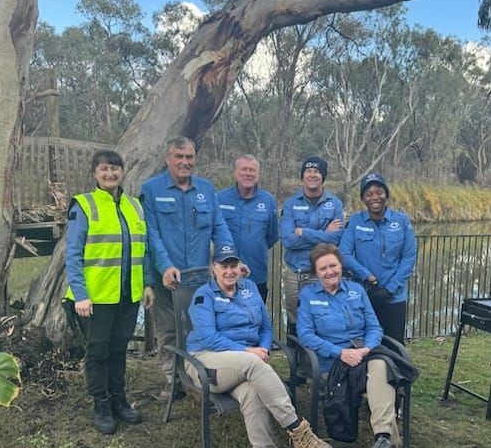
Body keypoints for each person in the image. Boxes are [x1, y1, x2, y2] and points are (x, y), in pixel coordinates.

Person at [186, 244, 336, 448]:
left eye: (234, 265)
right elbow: (207, 337)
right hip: (206, 361)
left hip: (244, 364)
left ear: (240, 268)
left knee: (252, 395)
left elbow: (265, 326)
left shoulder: (250, 289)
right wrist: (249, 351)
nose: (230, 271)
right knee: (252, 364)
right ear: (214, 269)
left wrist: (264, 347)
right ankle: (298, 431)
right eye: (224, 266)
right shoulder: (203, 296)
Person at [296, 243, 419, 448]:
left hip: (364, 355)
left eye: (333, 265)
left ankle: (383, 443)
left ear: (341, 266)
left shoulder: (357, 291)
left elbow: (374, 326)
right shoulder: (308, 296)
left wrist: (366, 348)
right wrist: (340, 353)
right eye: (323, 268)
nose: (329, 271)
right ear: (316, 272)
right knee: (384, 372)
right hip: (334, 362)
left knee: (381, 366)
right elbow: (305, 334)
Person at [64, 150, 155, 434]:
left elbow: (144, 250)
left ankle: (119, 399)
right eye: (104, 169)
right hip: (95, 298)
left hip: (127, 295)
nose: (110, 174)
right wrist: (80, 293)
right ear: (95, 173)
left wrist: (148, 284)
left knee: (118, 349)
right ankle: (101, 403)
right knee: (98, 351)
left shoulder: (134, 206)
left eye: (115, 168)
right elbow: (73, 253)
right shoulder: (84, 205)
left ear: (123, 172)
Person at [140, 136, 234, 400]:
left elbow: (220, 227)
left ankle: (196, 379)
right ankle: (173, 382)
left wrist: (227, 258)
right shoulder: (151, 189)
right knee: (169, 331)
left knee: (200, 330)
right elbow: (152, 236)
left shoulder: (206, 189)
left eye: (189, 157)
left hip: (200, 280)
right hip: (166, 279)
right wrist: (165, 266)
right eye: (179, 157)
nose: (184, 162)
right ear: (168, 159)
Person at [339, 172, 417, 342]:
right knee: (366, 342)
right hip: (365, 294)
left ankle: (394, 369)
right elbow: (343, 254)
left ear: (386, 195)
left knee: (394, 343)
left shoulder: (402, 222)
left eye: (379, 192)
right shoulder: (355, 222)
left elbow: (409, 257)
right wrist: (367, 276)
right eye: (369, 194)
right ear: (363, 198)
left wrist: (390, 289)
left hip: (394, 296)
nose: (375, 197)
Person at [280, 156, 343, 336]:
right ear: (303, 176)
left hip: (322, 273)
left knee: (322, 317)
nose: (312, 175)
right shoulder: (290, 204)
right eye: (308, 171)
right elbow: (288, 240)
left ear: (323, 176)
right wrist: (324, 234)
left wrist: (304, 232)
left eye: (317, 171)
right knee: (294, 317)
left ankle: (319, 359)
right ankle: (295, 358)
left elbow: (336, 239)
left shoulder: (335, 203)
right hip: (295, 274)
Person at [218, 155, 279, 302]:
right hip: (225, 275)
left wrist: (255, 246)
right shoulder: (220, 198)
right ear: (235, 173)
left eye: (252, 170)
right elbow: (215, 233)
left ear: (257, 174)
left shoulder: (268, 200)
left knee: (255, 320)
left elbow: (272, 236)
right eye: (244, 169)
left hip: (256, 276)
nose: (248, 173)